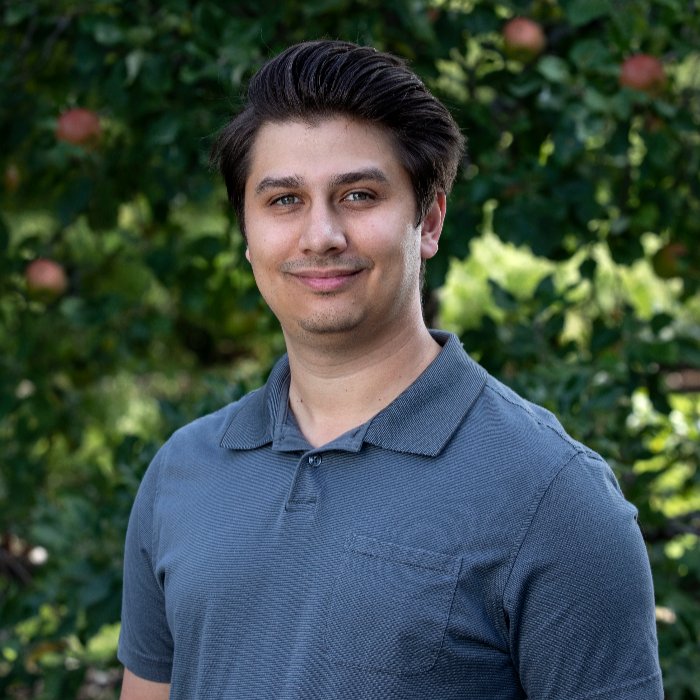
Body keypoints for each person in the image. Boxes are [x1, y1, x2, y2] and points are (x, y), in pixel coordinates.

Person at [118, 40, 663, 699]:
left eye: (358, 194)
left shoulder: (554, 497)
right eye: (284, 201)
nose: (320, 235)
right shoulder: (184, 471)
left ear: (428, 220)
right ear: (247, 230)